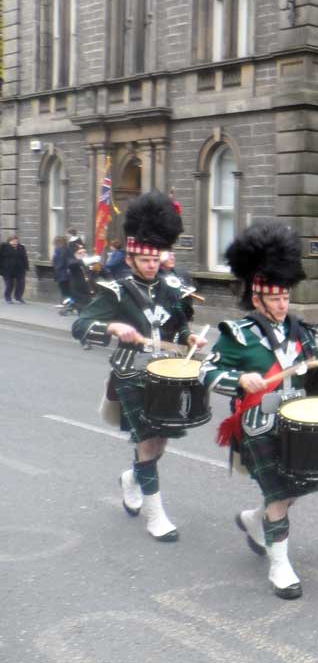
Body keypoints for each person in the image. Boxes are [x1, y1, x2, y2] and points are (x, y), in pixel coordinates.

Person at [199, 220, 318, 599]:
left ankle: (255, 519)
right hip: (258, 425)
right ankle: (280, 565)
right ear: (257, 299)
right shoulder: (237, 334)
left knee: (301, 485)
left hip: (298, 423)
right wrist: (240, 380)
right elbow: (207, 370)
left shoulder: (301, 332)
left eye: (285, 298)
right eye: (275, 299)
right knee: (281, 493)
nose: (283, 305)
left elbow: (311, 371)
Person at [71, 191, 204, 541]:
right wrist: (113, 326)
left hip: (168, 373)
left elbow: (179, 324)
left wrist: (190, 338)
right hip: (131, 374)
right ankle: (155, 514)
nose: (150, 265)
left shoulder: (171, 287)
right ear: (130, 258)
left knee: (159, 444)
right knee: (148, 441)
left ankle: (131, 478)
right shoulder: (114, 291)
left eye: (154, 259)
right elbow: (80, 326)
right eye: (143, 260)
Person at [159, 250, 198, 323]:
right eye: (169, 256)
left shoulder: (182, 273)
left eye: (173, 255)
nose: (172, 258)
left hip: (184, 317)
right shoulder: (155, 276)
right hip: (166, 319)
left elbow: (189, 297)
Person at [1, 235, 30, 303]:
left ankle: (18, 297)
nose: (15, 242)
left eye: (16, 241)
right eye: (13, 241)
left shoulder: (21, 247)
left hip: (19, 268)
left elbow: (24, 257)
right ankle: (8, 298)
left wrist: (26, 267)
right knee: (9, 284)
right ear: (9, 241)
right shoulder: (4, 247)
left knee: (21, 283)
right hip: (7, 269)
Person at [52, 235, 73, 309]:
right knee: (67, 290)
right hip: (68, 273)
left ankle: (66, 304)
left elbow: (59, 261)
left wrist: (57, 268)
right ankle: (68, 303)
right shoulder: (68, 248)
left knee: (64, 290)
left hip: (61, 272)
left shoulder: (58, 249)